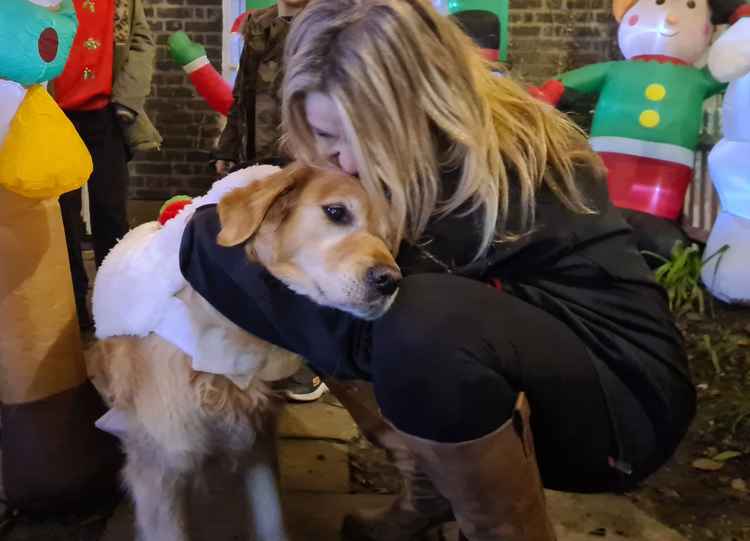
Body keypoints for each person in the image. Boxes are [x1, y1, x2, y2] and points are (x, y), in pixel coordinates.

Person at [180, 0, 696, 539]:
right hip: (490, 367)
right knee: (244, 251)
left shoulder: (501, 170)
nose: (348, 162)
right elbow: (209, 234)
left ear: (429, 105)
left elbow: (402, 326)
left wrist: (306, 296)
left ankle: (500, 529)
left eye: (367, 135)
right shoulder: (392, 175)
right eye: (327, 136)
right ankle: (427, 495)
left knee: (411, 320)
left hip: (617, 405)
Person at [212, 0, 329, 403]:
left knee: (305, 260)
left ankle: (310, 364)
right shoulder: (259, 23)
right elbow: (242, 92)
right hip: (257, 161)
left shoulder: (333, 20)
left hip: (306, 161)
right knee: (261, 260)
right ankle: (264, 352)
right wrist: (227, 147)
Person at [54, 0, 162, 331]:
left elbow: (141, 41)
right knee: (62, 219)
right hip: (53, 115)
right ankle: (72, 310)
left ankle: (112, 305)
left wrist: (127, 101)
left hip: (107, 114)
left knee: (111, 213)